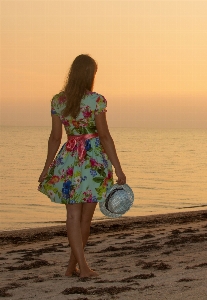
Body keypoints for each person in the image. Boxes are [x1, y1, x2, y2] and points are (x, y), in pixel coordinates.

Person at [38, 54, 126, 278]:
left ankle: (72, 267)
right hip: (93, 161)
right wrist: (118, 168)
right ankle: (83, 268)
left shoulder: (58, 101)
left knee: (73, 217)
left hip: (69, 160)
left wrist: (47, 167)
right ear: (89, 74)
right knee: (84, 219)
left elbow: (55, 138)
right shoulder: (96, 100)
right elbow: (104, 136)